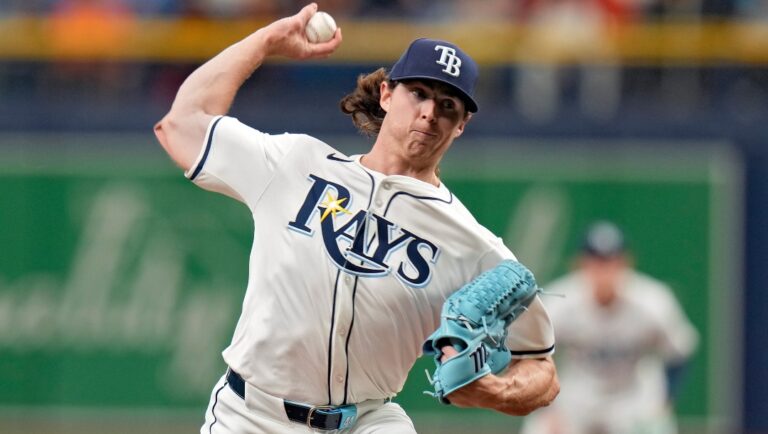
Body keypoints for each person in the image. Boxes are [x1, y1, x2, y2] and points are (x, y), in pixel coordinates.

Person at [153, 4, 559, 433]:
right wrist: (267, 41)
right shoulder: (296, 164)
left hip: (365, 421)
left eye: (448, 104)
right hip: (250, 416)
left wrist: (497, 391)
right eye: (418, 93)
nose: (430, 113)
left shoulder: (472, 245)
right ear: (386, 94)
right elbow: (181, 124)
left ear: (462, 125)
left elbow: (541, 369)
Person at [521, 221, 698, 434]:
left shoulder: (652, 300)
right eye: (596, 261)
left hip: (632, 397)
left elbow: (680, 351)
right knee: (539, 428)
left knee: (658, 426)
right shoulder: (560, 300)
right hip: (578, 395)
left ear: (626, 263)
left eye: (611, 261)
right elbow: (532, 354)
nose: (604, 271)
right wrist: (547, 408)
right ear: (580, 264)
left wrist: (664, 404)